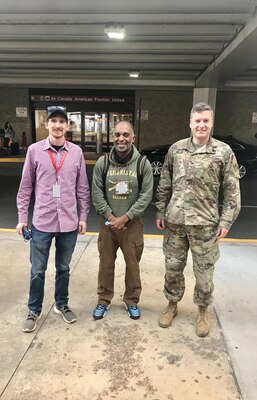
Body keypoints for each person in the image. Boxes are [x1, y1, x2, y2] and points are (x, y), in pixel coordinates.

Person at [156, 102, 241, 337]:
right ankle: (172, 304)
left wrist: (225, 222)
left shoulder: (223, 152)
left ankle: (203, 310)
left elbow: (232, 190)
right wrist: (160, 211)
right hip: (175, 223)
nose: (201, 125)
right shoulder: (176, 149)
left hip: (206, 225)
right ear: (190, 123)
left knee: (204, 272)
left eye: (206, 120)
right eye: (197, 121)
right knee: (173, 268)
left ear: (211, 123)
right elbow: (164, 181)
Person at [16, 105, 90, 333]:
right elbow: (26, 186)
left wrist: (83, 215)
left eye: (62, 121)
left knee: (63, 268)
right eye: (53, 121)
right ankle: (34, 310)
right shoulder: (35, 151)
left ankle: (61, 304)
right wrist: (22, 217)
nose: (58, 125)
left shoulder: (76, 152)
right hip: (42, 223)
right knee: (37, 270)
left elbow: (83, 188)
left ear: (67, 126)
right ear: (46, 124)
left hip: (68, 222)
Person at [91, 121, 153, 320]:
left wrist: (126, 218)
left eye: (126, 134)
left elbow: (146, 196)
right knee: (106, 264)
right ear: (113, 137)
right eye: (117, 134)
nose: (121, 138)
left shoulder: (143, 163)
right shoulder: (103, 163)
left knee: (132, 265)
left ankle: (132, 301)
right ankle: (103, 300)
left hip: (132, 225)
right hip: (108, 225)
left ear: (133, 138)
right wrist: (111, 217)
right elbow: (97, 193)